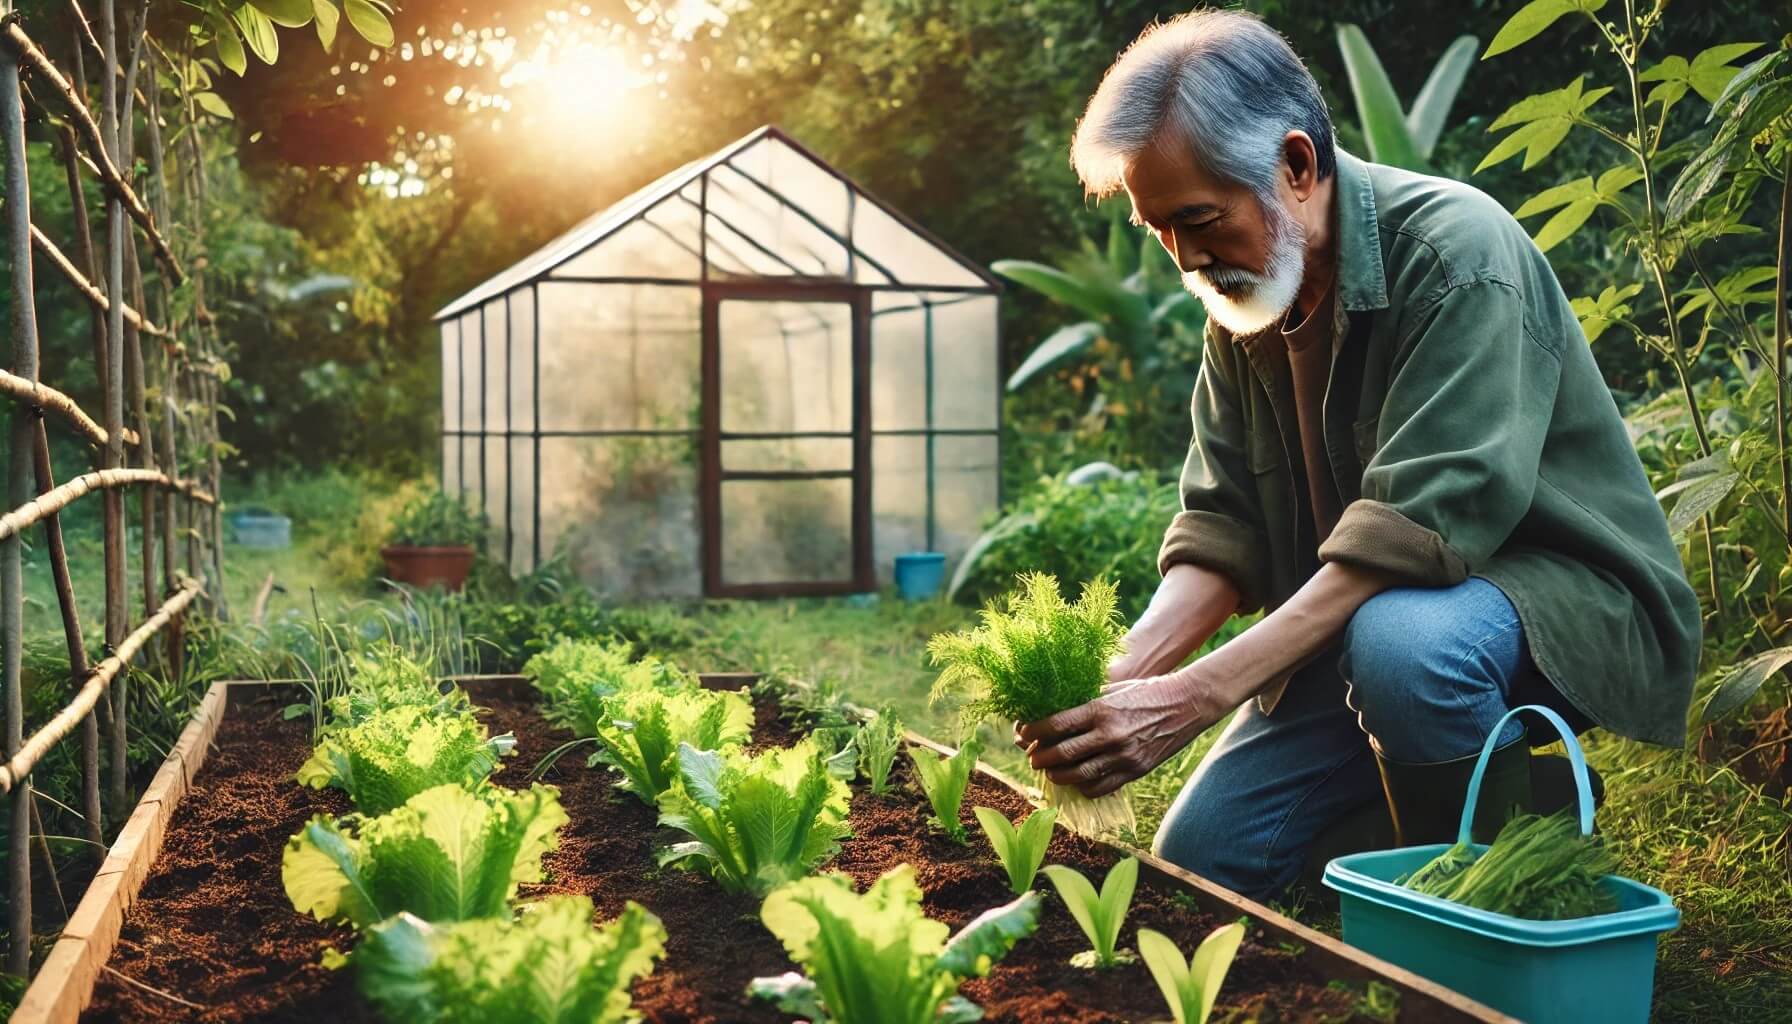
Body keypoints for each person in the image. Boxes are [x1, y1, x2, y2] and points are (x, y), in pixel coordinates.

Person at [1013, 9, 1701, 902]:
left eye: (1199, 219)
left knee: (1406, 647)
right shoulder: (1249, 294)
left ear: (1297, 166)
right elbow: (1223, 528)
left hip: (1546, 598)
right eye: (1160, 230)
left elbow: (1412, 536)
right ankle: (1524, 803)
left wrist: (1199, 694)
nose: (1186, 258)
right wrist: (1124, 674)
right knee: (1208, 859)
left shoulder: (1456, 254)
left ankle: (1492, 896)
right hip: (1366, 624)